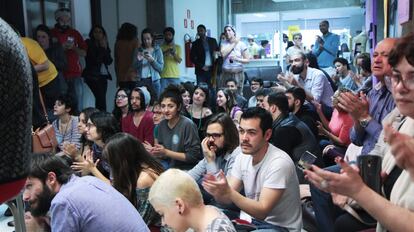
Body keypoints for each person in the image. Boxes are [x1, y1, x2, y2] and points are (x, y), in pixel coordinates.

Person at [305, 35, 414, 231]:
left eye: (385, 55)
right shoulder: (375, 95)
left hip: (371, 166)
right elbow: (357, 139)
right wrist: (357, 117)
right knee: (322, 186)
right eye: (397, 77)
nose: (401, 87)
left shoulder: (399, 109)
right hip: (367, 163)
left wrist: (360, 189)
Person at [202, 107, 302, 231]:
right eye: (241, 131)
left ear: (267, 135)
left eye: (251, 132)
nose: (244, 138)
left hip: (280, 228)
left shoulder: (279, 162)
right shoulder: (242, 157)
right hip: (252, 221)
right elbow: (225, 199)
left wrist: (228, 192)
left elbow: (262, 211)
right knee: (207, 216)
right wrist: (218, 191)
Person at [23, 153, 149, 231]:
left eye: (29, 186)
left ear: (51, 178)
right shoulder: (87, 180)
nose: (25, 197)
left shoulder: (62, 201)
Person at [102, 133, 164, 226]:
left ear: (122, 159)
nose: (110, 165)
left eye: (112, 160)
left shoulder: (145, 178)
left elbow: (142, 221)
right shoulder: (135, 170)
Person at [149, 169, 236, 232]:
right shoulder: (208, 211)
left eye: (162, 214)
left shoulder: (216, 229)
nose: (163, 223)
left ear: (179, 206)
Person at [188, 113, 240, 205]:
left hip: (232, 208)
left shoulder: (237, 155)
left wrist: (210, 161)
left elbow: (223, 194)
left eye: (216, 135)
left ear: (228, 135)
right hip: (215, 200)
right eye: (208, 135)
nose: (211, 140)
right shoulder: (215, 151)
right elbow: (190, 177)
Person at [149, 85, 202, 170]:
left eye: (170, 106)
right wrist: (154, 152)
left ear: (179, 107)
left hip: (187, 168)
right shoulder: (161, 125)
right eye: (163, 106)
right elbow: (163, 155)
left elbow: (193, 157)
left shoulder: (188, 125)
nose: (166, 110)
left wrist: (166, 152)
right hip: (169, 165)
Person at [51, 8, 87, 112]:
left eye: (68, 20)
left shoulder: (74, 33)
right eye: (62, 20)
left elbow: (84, 53)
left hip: (75, 73)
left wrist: (74, 48)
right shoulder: (51, 33)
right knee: (62, 105)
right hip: (58, 73)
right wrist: (61, 48)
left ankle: (78, 126)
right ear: (57, 20)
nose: (65, 23)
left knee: (78, 103)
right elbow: (47, 53)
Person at [71, 111, 119, 178]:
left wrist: (92, 169)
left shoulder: (115, 148)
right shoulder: (96, 146)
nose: (86, 129)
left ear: (102, 127)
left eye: (90, 126)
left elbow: (114, 186)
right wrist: (89, 168)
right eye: (87, 125)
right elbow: (85, 174)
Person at [21, 36, 61, 115]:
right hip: (35, 83)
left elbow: (45, 65)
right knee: (41, 111)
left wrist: (24, 70)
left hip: (49, 79)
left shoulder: (28, 43)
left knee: (54, 109)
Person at [314, 89, 354, 166]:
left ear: (342, 102)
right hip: (333, 142)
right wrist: (319, 112)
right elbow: (330, 128)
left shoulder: (349, 117)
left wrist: (324, 132)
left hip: (344, 149)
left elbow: (341, 142)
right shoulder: (336, 110)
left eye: (335, 97)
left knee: (322, 144)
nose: (332, 98)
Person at [83, 25, 113, 111]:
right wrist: (102, 49)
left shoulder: (104, 43)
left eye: (100, 32)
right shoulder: (89, 43)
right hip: (92, 75)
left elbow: (109, 61)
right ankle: (102, 118)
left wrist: (105, 48)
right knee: (100, 98)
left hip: (103, 75)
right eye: (95, 32)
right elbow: (95, 60)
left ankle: (100, 118)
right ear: (92, 33)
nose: (98, 34)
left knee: (101, 98)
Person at [133, 28, 163, 98]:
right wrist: (139, 60)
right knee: (141, 102)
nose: (146, 41)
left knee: (155, 103)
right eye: (144, 39)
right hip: (141, 80)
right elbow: (134, 66)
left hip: (154, 81)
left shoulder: (157, 50)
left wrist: (152, 60)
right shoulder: (139, 50)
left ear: (152, 38)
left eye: (148, 39)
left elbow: (160, 68)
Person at [219, 25, 249, 93]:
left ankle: (237, 104)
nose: (227, 32)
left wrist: (237, 59)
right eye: (225, 31)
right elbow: (223, 54)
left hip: (237, 73)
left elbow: (247, 60)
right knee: (225, 93)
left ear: (234, 32)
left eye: (229, 30)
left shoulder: (241, 44)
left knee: (237, 94)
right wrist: (234, 43)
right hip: (225, 73)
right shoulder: (223, 43)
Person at [114, 22, 140, 90]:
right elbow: (136, 58)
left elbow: (116, 61)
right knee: (134, 98)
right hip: (133, 75)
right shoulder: (135, 41)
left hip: (121, 76)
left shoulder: (118, 42)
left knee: (124, 98)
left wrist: (117, 77)